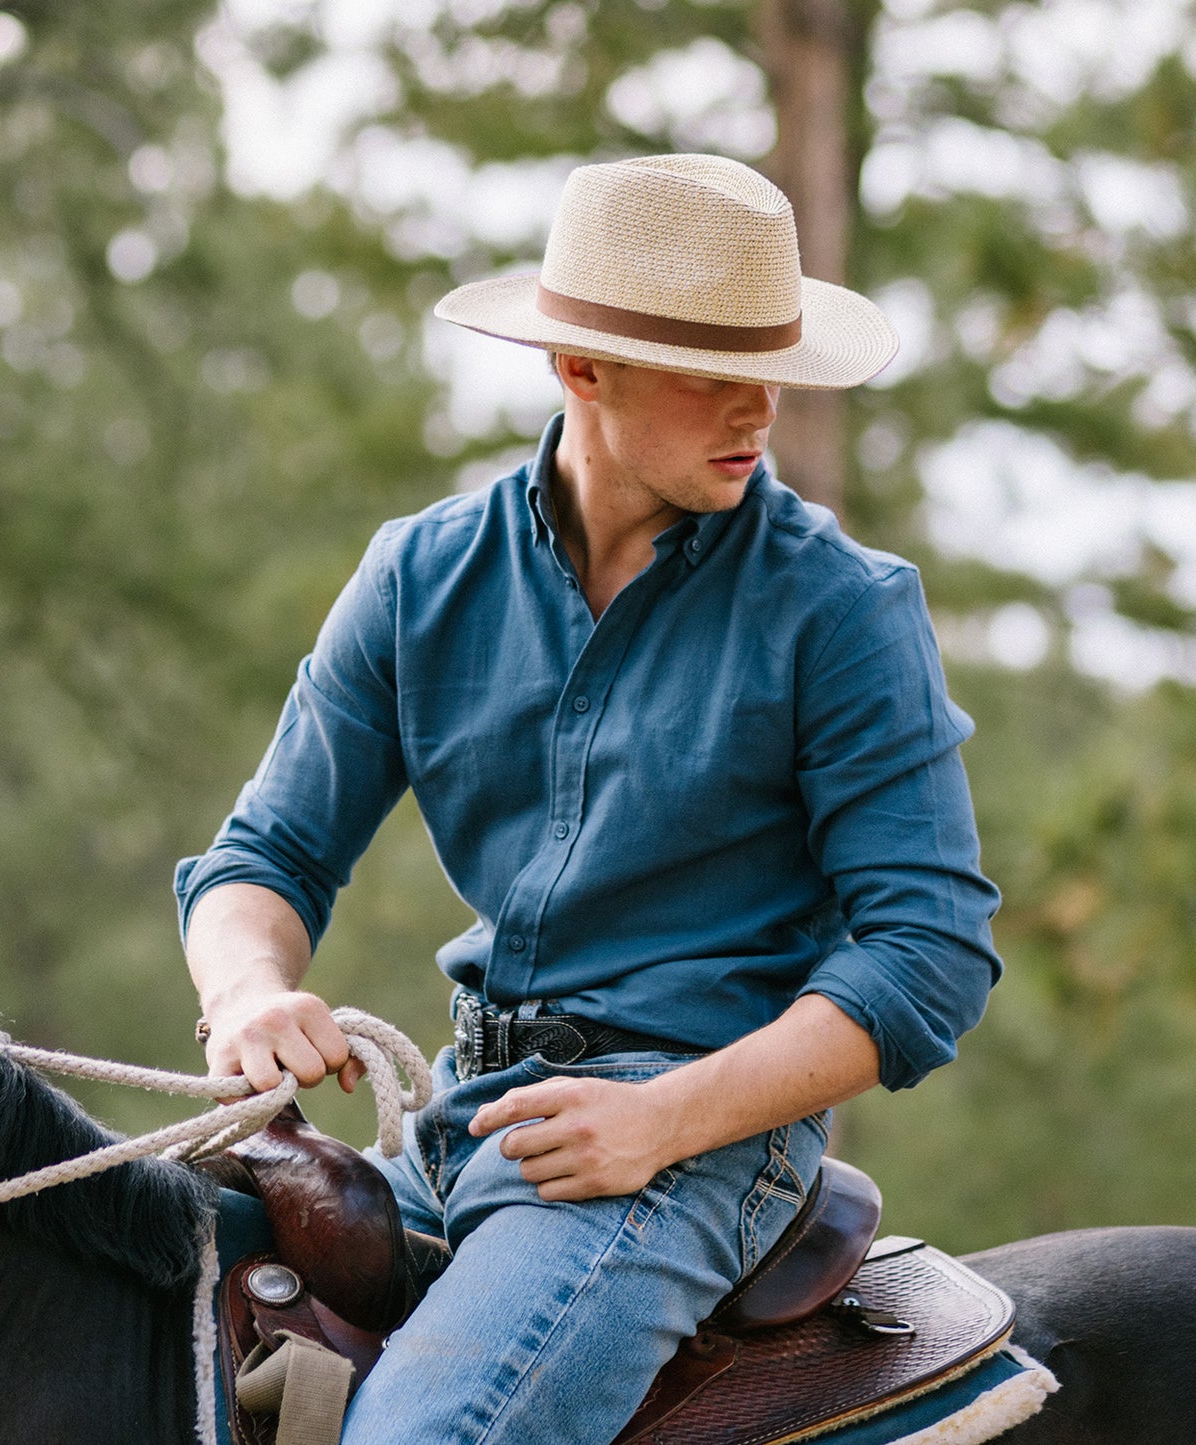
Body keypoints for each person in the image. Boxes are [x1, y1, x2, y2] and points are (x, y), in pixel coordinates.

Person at [176, 153, 1001, 1444]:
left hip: (698, 1148)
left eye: (769, 368)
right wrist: (249, 995)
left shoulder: (839, 607)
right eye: (709, 372)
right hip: (454, 1124)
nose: (755, 409)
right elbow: (261, 856)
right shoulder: (420, 575)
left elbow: (927, 953)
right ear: (580, 369)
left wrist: (662, 1118)